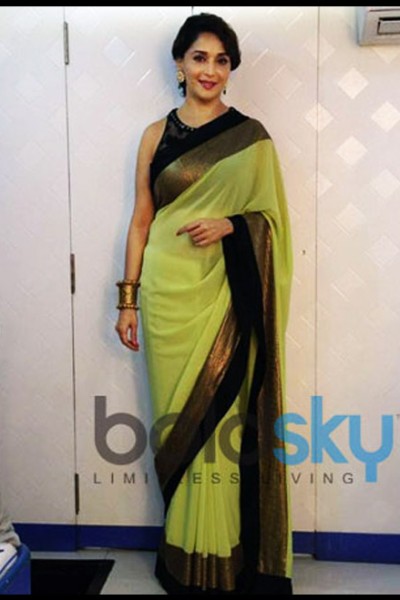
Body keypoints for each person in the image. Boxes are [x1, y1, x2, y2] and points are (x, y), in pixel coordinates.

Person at [115, 12, 293, 595]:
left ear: (230, 68)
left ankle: (219, 558)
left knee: (220, 427)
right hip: (166, 300)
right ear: (180, 64)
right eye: (199, 58)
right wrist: (127, 301)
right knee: (178, 429)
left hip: (223, 300)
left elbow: (272, 221)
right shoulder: (154, 135)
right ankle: (183, 554)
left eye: (221, 60)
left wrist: (231, 225)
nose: (210, 70)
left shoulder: (251, 137)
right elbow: (141, 221)